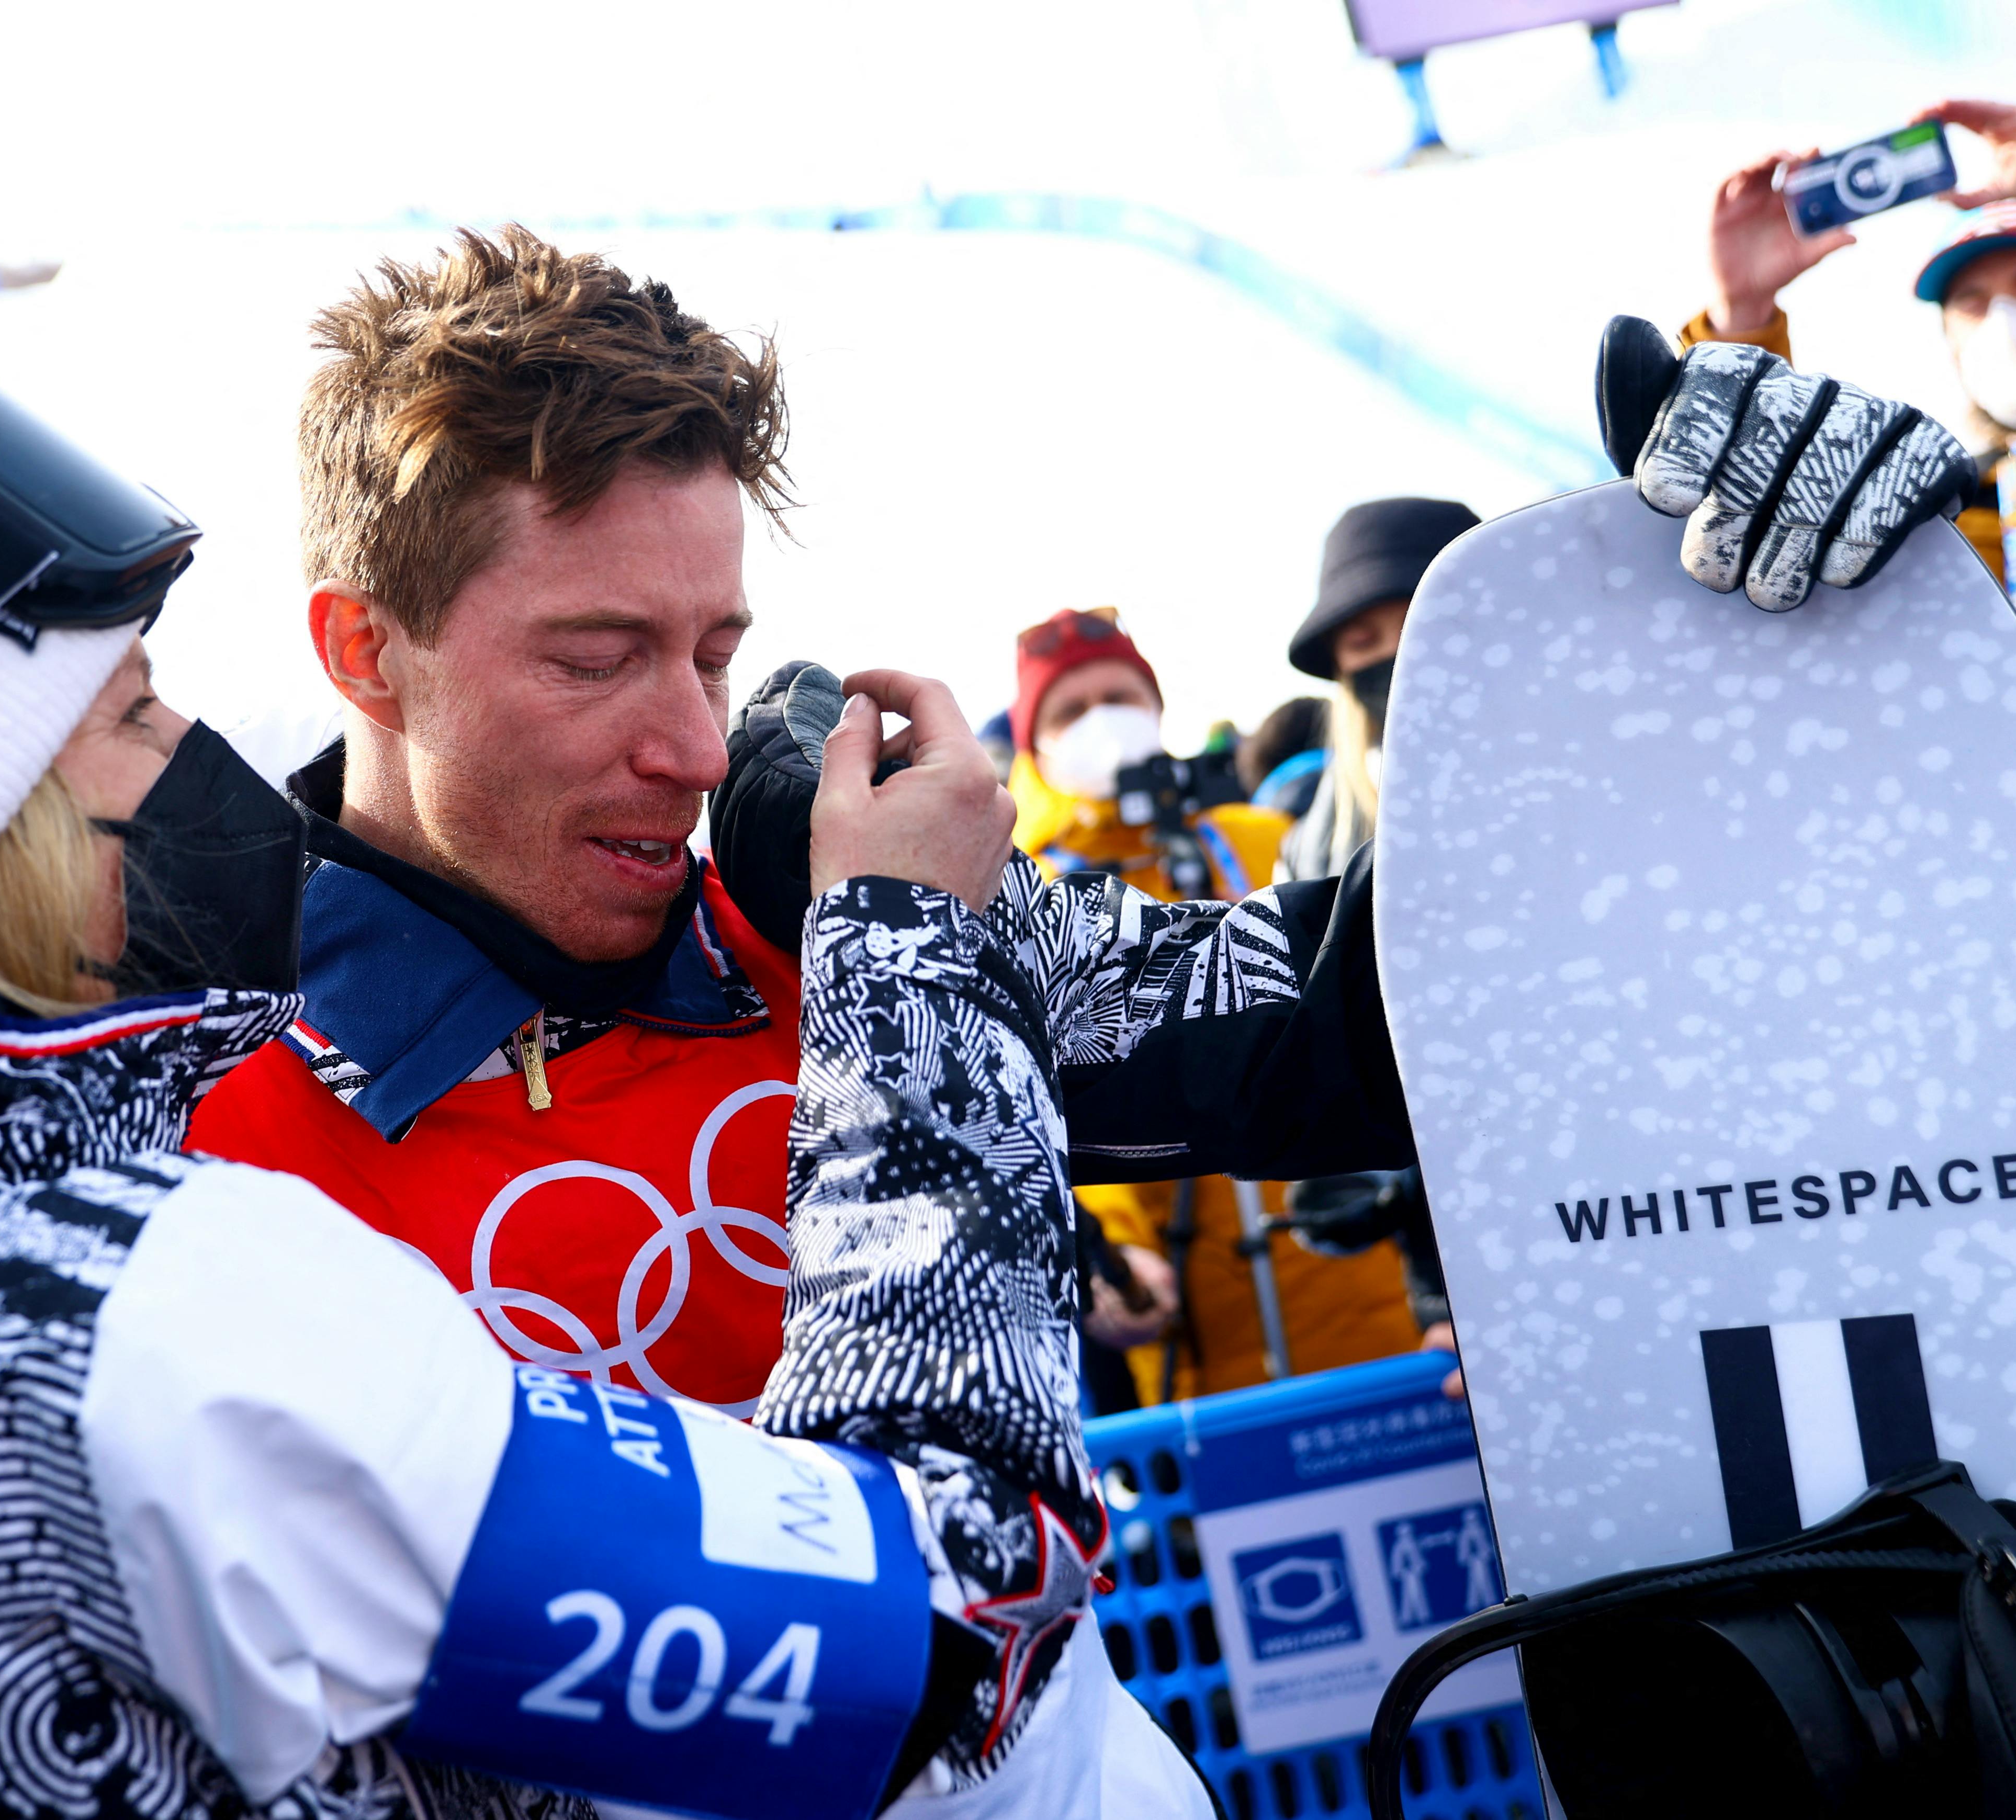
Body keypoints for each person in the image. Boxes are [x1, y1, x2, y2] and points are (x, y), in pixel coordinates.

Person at [0, 402, 1201, 1817]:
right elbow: (953, 1619)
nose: (202, 769)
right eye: (133, 713)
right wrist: (904, 962)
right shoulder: (143, 1326)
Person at [189, 228, 1425, 1425]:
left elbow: (1355, 1012)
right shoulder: (191, 1144)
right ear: (364, 651)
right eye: (597, 661)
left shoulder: (826, 934)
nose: (697, 751)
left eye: (714, 656)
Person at [1003, 607, 1416, 1405]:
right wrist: (1113, 1254)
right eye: (1071, 710)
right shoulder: (1033, 892)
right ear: (1036, 745)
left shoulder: (1262, 838)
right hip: (1206, 1351)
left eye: (1119, 695)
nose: (1102, 721)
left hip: (1374, 1295)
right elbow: (1046, 1102)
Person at [1685, 99, 2016, 653]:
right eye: (1971, 301)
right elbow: (1740, 544)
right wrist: (1740, 315)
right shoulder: (1933, 513)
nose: (2004, 319)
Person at [1275, 497, 1479, 884]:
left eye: (1425, 628)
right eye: (1363, 641)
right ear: (1341, 666)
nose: (1397, 655)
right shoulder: (1306, 856)